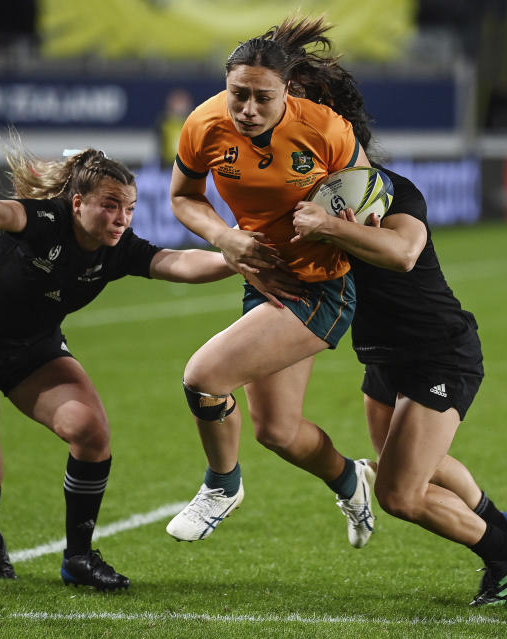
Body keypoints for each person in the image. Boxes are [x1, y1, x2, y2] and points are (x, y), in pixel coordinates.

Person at [0, 133, 238, 591]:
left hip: (33, 349)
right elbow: (0, 211)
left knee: (91, 432)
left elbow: (177, 262)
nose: (121, 218)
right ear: (76, 203)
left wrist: (236, 256)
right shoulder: (45, 220)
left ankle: (79, 558)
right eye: (110, 205)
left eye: (128, 208)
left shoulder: (118, 247)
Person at [289, 91, 507, 604]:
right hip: (382, 357)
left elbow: (404, 253)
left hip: (437, 351)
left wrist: (328, 227)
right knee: (400, 466)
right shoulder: (309, 200)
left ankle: (503, 555)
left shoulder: (390, 191)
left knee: (399, 495)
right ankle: (502, 525)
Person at [164, 15, 377, 547]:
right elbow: (184, 197)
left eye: (263, 98)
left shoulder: (326, 129)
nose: (249, 110)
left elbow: (369, 205)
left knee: (204, 377)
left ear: (288, 91)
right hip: (262, 278)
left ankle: (222, 485)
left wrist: (339, 224)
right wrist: (224, 236)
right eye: (238, 95)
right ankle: (354, 481)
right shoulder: (204, 124)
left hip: (321, 285)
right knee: (278, 432)